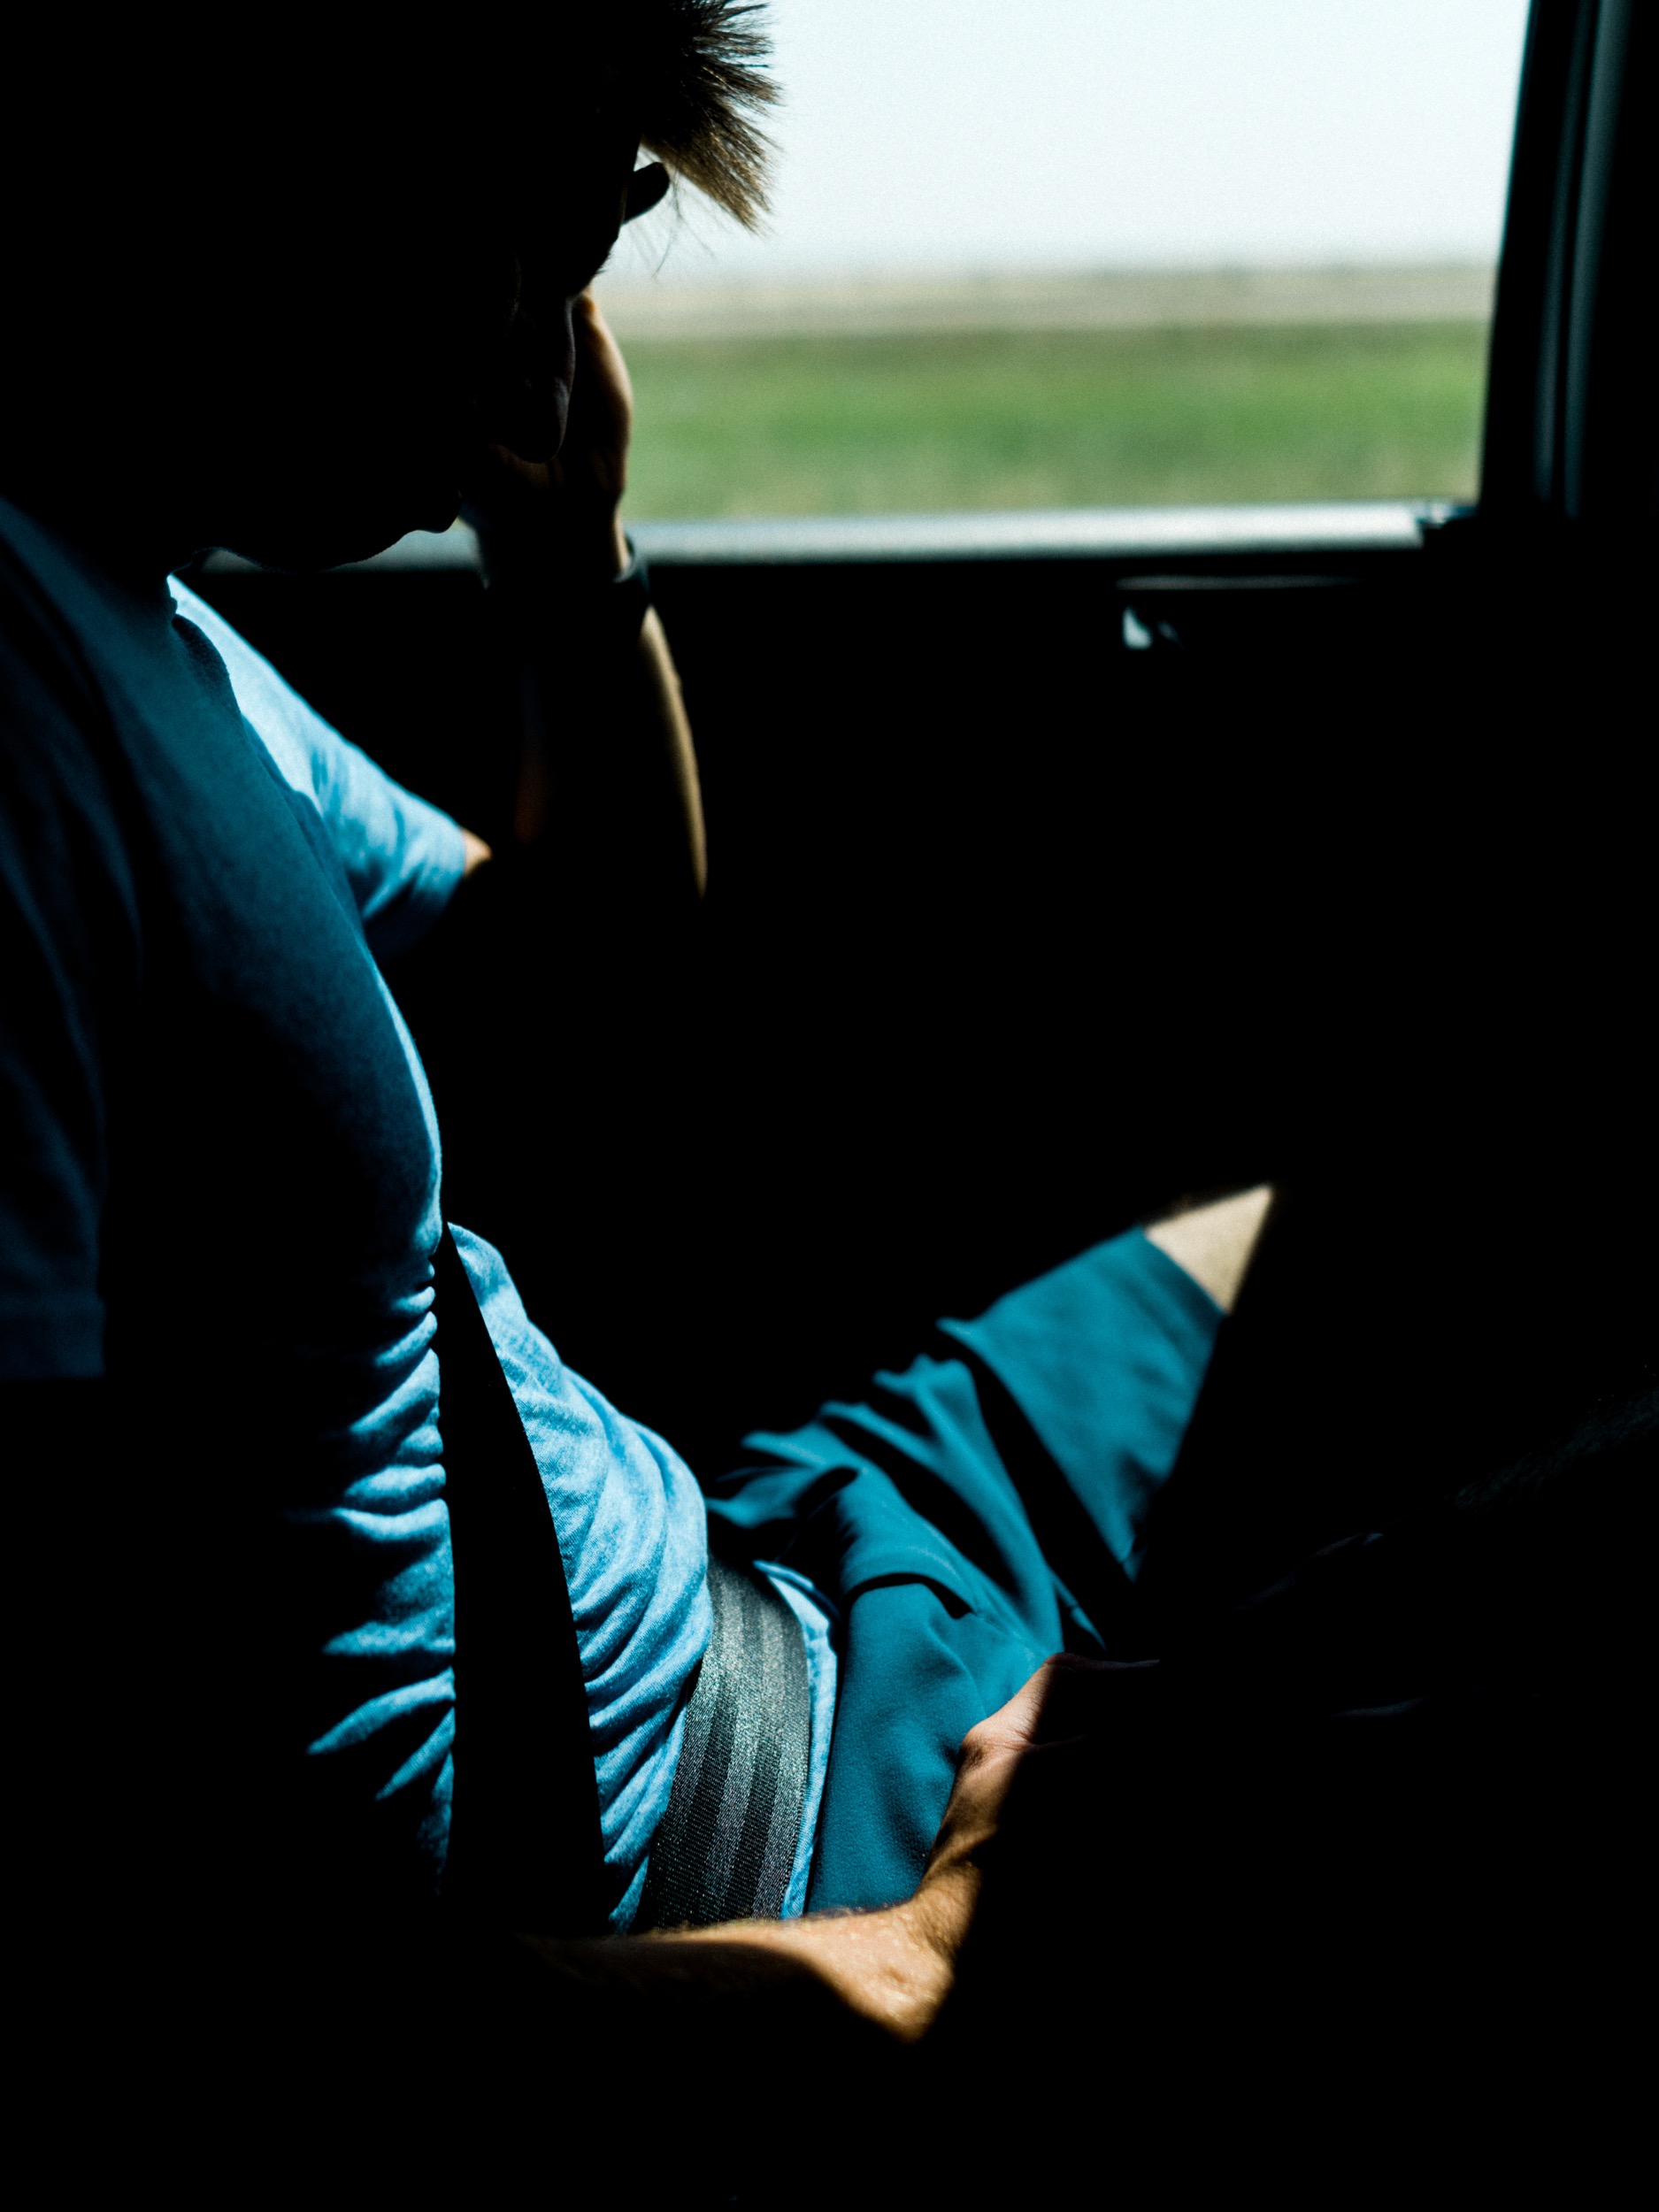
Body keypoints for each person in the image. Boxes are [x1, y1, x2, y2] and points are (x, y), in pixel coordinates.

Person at [2, 4, 1648, 2170]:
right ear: (297, 148)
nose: (546, 342)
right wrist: (895, 1974)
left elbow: (589, 994)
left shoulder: (132, 624)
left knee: (1469, 1185)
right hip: (746, 1878)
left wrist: (564, 562)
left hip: (782, 1553)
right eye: (529, 232)